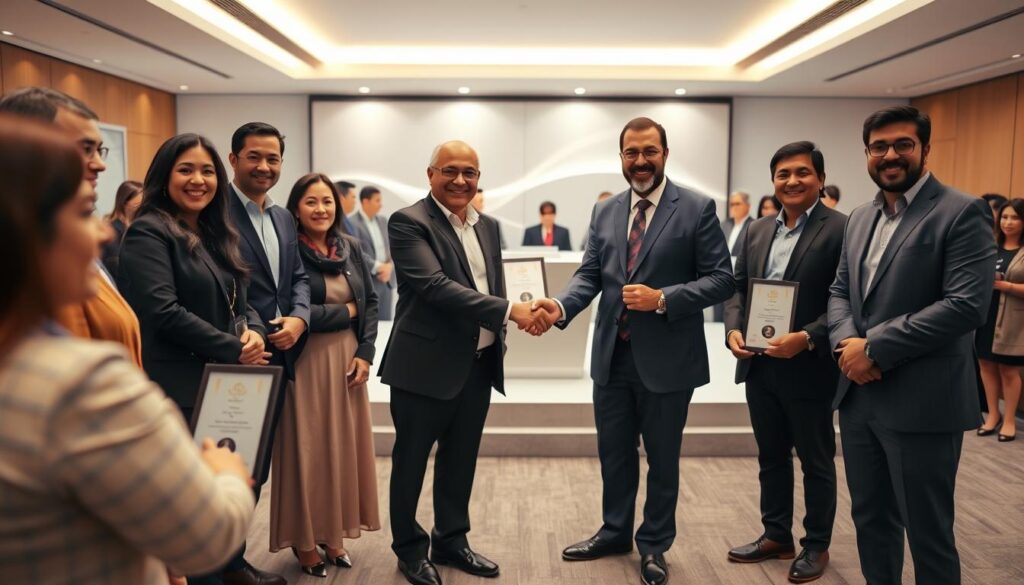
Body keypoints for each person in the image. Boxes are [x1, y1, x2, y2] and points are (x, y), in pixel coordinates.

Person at [0, 115, 255, 585]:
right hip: (183, 384)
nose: (101, 234)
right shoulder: (81, 383)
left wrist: (249, 330)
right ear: (23, 229)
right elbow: (202, 532)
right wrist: (226, 473)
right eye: (81, 213)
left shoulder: (218, 233)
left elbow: (241, 296)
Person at [534, 117, 734, 585]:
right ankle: (615, 531)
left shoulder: (697, 208)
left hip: (668, 360)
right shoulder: (606, 211)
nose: (640, 161)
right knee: (615, 454)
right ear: (620, 157)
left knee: (662, 458)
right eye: (631, 153)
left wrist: (664, 298)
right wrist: (560, 306)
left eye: (649, 151)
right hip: (612, 356)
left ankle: (654, 545)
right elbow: (590, 273)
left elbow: (722, 279)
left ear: (665, 153)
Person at [828, 105, 995, 585]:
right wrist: (847, 347)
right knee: (872, 523)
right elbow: (840, 292)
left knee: (928, 534)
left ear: (925, 148)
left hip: (924, 402)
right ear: (867, 154)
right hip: (860, 400)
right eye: (879, 146)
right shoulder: (860, 217)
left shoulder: (961, 211)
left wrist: (873, 346)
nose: (890, 155)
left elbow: (965, 306)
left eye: (903, 144)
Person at [380, 140, 548, 585]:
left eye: (469, 173)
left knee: (461, 459)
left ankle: (452, 540)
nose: (460, 180)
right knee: (412, 461)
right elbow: (434, 286)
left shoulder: (488, 225)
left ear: (479, 178)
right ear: (431, 173)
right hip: (423, 367)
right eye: (450, 171)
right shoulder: (409, 223)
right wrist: (511, 310)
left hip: (477, 364)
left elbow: (490, 282)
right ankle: (410, 550)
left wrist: (527, 307)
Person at [724, 142, 845, 584]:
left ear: (818, 178)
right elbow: (737, 288)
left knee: (815, 459)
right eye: (782, 175)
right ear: (772, 180)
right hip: (759, 364)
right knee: (771, 455)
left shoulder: (841, 229)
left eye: (802, 173)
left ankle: (816, 544)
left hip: (809, 365)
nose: (791, 182)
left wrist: (809, 338)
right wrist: (733, 329)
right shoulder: (756, 230)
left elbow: (845, 299)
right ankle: (776, 533)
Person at [272, 173, 381, 576]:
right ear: (296, 209)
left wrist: (366, 354)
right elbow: (290, 315)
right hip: (304, 362)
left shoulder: (349, 246)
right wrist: (345, 312)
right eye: (311, 202)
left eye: (328, 202)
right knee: (308, 452)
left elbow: (369, 304)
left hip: (348, 362)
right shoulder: (287, 252)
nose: (321, 209)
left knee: (341, 450)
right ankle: (304, 541)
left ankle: (333, 536)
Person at [118, 133, 270, 416]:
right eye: (186, 170)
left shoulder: (215, 233)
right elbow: (164, 311)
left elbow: (240, 298)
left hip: (223, 380)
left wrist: (256, 334)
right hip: (179, 391)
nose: (198, 180)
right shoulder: (148, 232)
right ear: (165, 177)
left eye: (208, 171)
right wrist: (234, 346)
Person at [0, 86, 142, 367]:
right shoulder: (39, 258)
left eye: (99, 149)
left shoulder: (63, 243)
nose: (100, 164)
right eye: (85, 148)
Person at [226, 121, 311, 585]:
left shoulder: (281, 217)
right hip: (238, 357)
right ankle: (218, 563)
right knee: (229, 466)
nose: (264, 166)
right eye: (254, 157)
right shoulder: (214, 213)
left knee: (256, 468)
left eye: (273, 158)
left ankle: (232, 560)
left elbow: (296, 277)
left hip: (282, 356)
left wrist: (300, 317)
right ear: (234, 158)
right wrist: (254, 330)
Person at [976, 198, 1024, 442]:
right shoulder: (991, 245)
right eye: (1004, 217)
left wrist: (1007, 285)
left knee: (1008, 370)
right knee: (985, 365)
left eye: (1014, 217)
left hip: (1014, 321)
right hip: (987, 315)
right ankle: (992, 416)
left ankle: (1008, 421)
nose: (1008, 222)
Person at [351, 185, 396, 320]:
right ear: (365, 202)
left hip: (386, 279)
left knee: (386, 322)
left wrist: (389, 267)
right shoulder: (351, 223)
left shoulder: (383, 220)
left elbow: (392, 246)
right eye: (377, 200)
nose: (381, 205)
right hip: (369, 280)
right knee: (370, 322)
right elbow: (356, 252)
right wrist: (379, 267)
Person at [714, 190, 753, 321]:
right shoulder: (725, 224)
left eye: (738, 204)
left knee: (734, 314)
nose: (734, 207)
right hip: (722, 274)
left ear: (748, 206)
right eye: (732, 204)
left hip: (740, 278)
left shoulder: (754, 225)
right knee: (718, 314)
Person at [101, 179, 143, 276]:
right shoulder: (111, 232)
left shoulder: (139, 228)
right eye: (139, 205)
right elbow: (116, 268)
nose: (143, 207)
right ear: (125, 203)